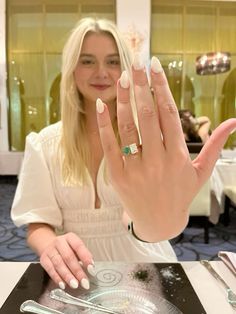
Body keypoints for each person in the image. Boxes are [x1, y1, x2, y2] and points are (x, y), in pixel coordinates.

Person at [11, 17, 236, 291]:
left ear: (126, 68)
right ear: (71, 68)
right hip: (74, 271)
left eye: (113, 61)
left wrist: (153, 224)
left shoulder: (143, 142)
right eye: (87, 61)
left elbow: (135, 219)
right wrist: (50, 245)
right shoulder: (44, 144)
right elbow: (37, 223)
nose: (102, 72)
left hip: (141, 266)